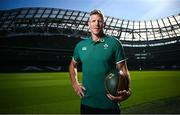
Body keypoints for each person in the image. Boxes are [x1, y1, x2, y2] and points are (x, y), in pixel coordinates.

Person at [69, 9, 131, 114]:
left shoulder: (114, 43)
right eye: (93, 21)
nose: (96, 24)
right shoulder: (80, 46)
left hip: (110, 104)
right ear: (88, 24)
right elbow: (72, 65)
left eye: (99, 21)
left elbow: (123, 70)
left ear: (104, 24)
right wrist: (75, 83)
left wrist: (127, 91)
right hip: (87, 103)